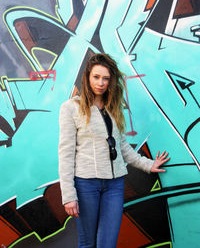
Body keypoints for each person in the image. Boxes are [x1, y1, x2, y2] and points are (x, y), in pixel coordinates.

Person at [58, 53, 170, 248]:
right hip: (86, 185)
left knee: (107, 244)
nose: (100, 83)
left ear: (111, 81)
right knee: (88, 243)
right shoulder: (71, 108)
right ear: (87, 77)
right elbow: (65, 153)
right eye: (96, 77)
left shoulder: (113, 107)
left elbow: (122, 146)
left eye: (106, 78)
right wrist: (69, 195)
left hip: (114, 185)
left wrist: (148, 165)